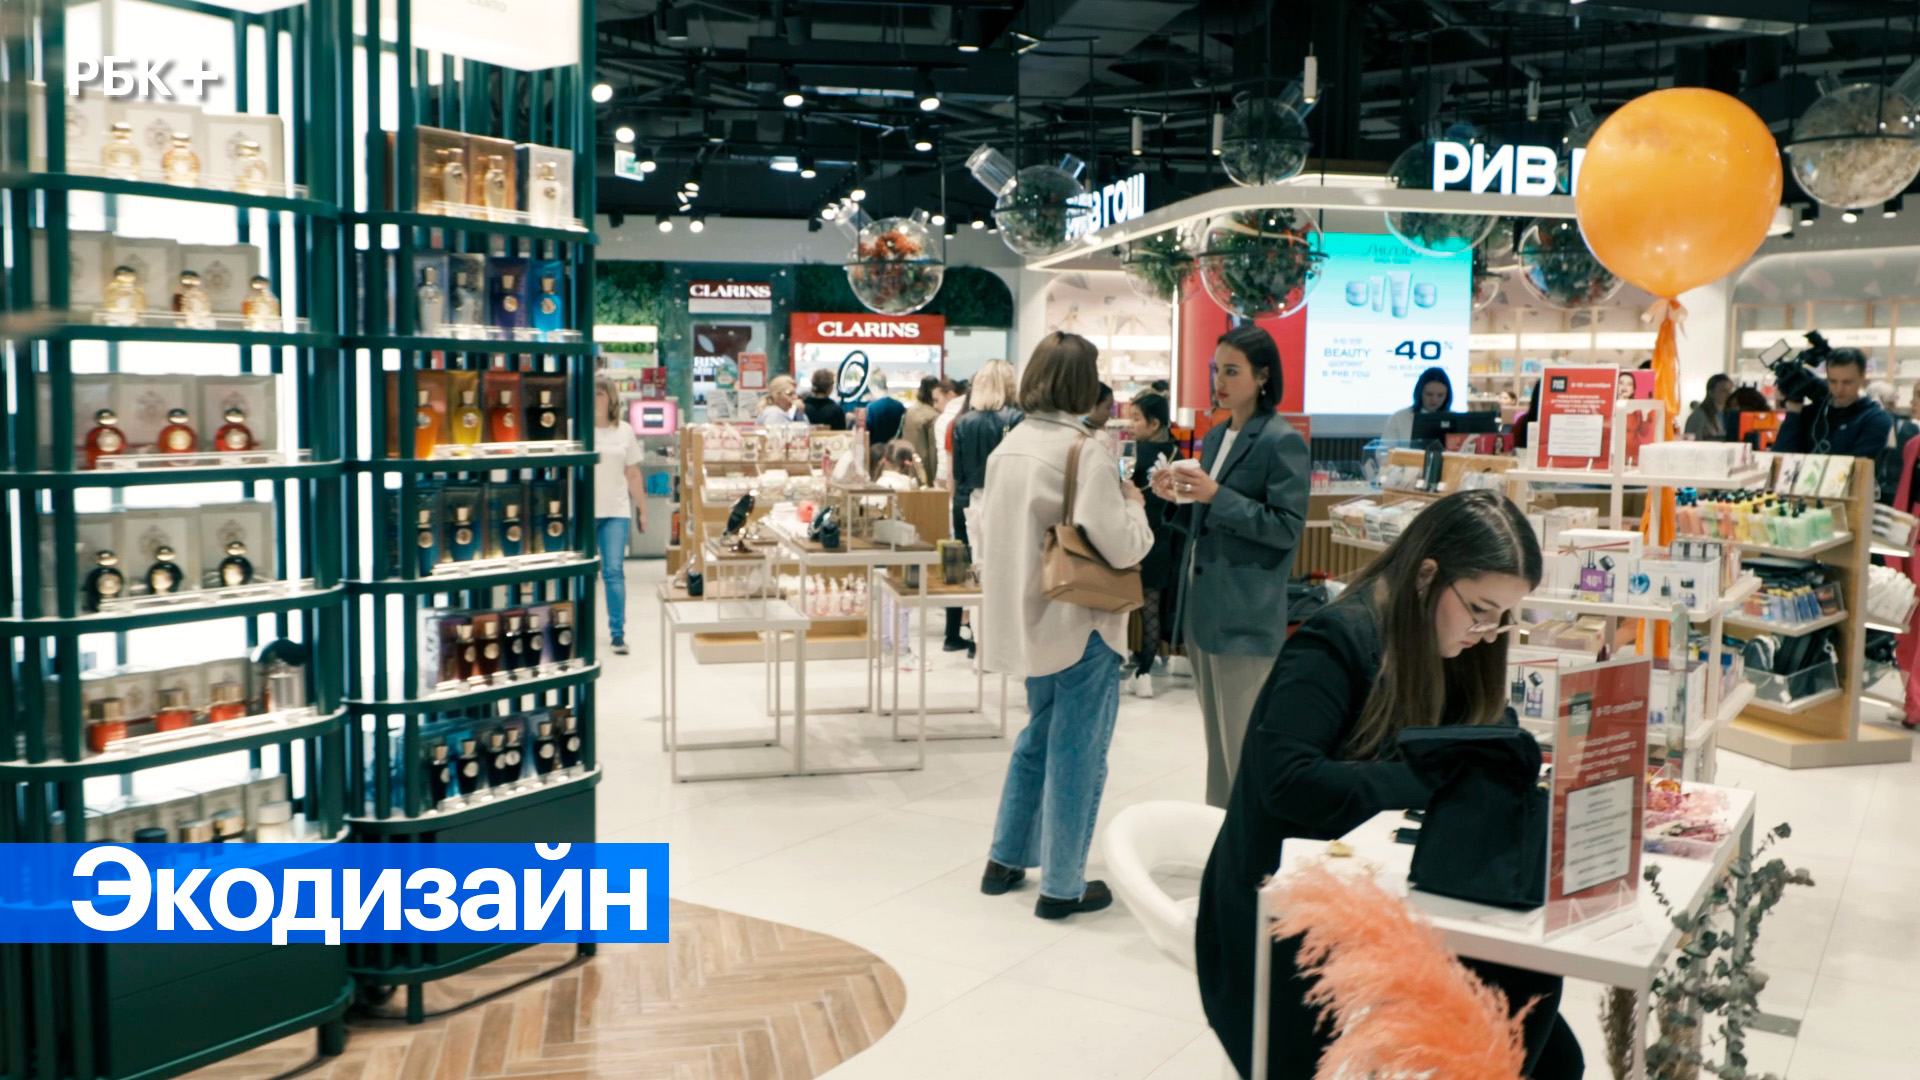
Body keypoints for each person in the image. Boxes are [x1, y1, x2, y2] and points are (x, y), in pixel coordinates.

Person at [1195, 489, 1583, 1080]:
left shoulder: (1456, 644)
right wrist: (1432, 777)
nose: (1489, 632)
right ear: (1427, 576)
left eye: (1505, 616)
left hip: (1381, 895)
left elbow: (1483, 736)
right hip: (1278, 915)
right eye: (1481, 609)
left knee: (1540, 1036)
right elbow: (1288, 782)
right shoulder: (1335, 642)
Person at [977, 331, 1154, 919]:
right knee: (1079, 751)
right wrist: (1135, 505)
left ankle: (1005, 857)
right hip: (1082, 621)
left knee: (1038, 737)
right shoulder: (1085, 452)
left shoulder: (1009, 447)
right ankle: (1061, 884)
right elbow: (1123, 546)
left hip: (1031, 621)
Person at [1152, 325, 1308, 809]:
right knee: (1218, 747)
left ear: (1263, 377)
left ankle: (1248, 841)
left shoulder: (1281, 441)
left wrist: (1216, 495)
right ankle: (1221, 834)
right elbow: (1210, 516)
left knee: (1243, 748)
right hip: (1205, 608)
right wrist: (1179, 497)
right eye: (1216, 370)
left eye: (1232, 371)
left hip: (1245, 613)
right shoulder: (1218, 434)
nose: (1219, 381)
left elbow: (1285, 528)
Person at [947, 359, 1021, 654]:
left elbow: (958, 473)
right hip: (1007, 501)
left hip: (973, 501)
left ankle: (978, 642)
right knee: (1008, 574)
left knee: (977, 573)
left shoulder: (963, 422)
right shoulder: (1017, 419)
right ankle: (1003, 643)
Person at [1124, 391, 1181, 699]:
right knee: (1152, 607)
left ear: (1154, 422)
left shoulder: (1133, 453)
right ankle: (1145, 671)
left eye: (1136, 419)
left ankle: (1125, 662)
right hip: (1163, 539)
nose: (1131, 425)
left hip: (1131, 536)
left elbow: (1119, 488)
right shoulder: (1178, 454)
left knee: (1121, 604)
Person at [592, 377, 647, 656]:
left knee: (613, 571)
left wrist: (642, 509)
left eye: (601, 394)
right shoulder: (576, 428)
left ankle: (617, 634)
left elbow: (633, 473)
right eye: (592, 393)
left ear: (612, 398)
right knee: (582, 574)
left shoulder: (624, 431)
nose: (596, 399)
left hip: (616, 511)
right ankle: (576, 630)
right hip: (583, 512)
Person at [1774, 348, 1894, 458]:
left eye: (1847, 382)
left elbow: (1856, 466)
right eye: (1833, 381)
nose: (1839, 389)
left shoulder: (1875, 418)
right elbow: (1779, 459)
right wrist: (1794, 413)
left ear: (1862, 377)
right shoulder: (1811, 414)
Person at [1381, 367, 1453, 442]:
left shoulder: (1455, 420)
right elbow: (1385, 448)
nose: (1435, 399)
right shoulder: (1399, 418)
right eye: (1429, 394)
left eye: (1440, 395)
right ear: (1420, 393)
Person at [900, 376, 946, 486]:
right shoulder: (932, 416)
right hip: (924, 471)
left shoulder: (911, 411)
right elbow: (933, 452)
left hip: (909, 466)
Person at [934, 377, 968, 489]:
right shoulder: (974, 414)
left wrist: (941, 484)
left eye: (936, 400)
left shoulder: (944, 420)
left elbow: (944, 461)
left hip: (954, 483)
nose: (935, 406)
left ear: (950, 395)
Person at [1685, 374, 1734, 440]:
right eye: (1724, 390)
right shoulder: (1698, 416)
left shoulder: (1729, 414)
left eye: (1730, 390)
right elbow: (1691, 441)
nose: (1729, 394)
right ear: (1711, 392)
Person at [863, 369, 905, 444]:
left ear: (874, 387)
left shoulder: (872, 407)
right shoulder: (899, 406)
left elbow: (867, 431)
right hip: (894, 448)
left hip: (875, 448)